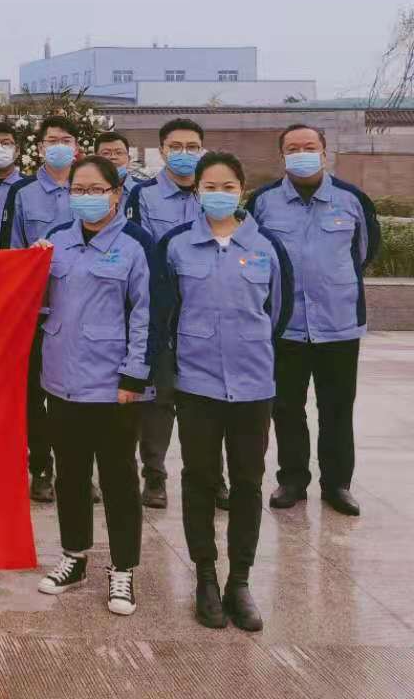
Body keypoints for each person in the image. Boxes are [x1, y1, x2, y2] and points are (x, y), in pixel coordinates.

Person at [154, 152, 292, 631]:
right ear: (197, 191)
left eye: (228, 186)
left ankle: (240, 581)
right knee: (199, 478)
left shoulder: (267, 246)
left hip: (253, 385)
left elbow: (279, 313)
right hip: (197, 385)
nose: (218, 194)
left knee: (248, 483)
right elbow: (164, 314)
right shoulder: (176, 246)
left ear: (242, 190)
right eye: (209, 186)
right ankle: (206, 577)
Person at [33, 155, 154, 617]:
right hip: (61, 380)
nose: (85, 198)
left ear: (116, 194)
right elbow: (32, 295)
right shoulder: (56, 242)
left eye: (95, 189)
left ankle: (122, 568)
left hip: (113, 385)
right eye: (77, 190)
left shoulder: (137, 244)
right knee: (70, 475)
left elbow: (146, 313)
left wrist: (134, 375)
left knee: (119, 477)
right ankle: (74, 556)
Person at [249, 124, 380, 517]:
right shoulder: (263, 202)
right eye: (293, 148)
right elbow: (254, 255)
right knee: (287, 407)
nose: (301, 153)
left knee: (337, 408)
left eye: (309, 146)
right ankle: (292, 480)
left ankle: (338, 484)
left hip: (338, 323)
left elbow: (365, 252)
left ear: (324, 151)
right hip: (284, 325)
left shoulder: (352, 199)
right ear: (282, 155)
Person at [125, 118, 208, 510]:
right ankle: (154, 475)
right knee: (157, 396)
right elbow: (137, 250)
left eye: (192, 146)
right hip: (159, 309)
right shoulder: (142, 195)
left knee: (205, 399)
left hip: (206, 308)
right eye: (176, 146)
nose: (184, 154)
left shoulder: (214, 192)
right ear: (162, 150)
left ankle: (211, 476)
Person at [1, 115, 82, 503]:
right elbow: (12, 252)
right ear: (40, 147)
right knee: (35, 395)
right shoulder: (23, 192)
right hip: (37, 311)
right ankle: (41, 468)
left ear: (77, 147)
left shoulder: (90, 187)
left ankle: (78, 469)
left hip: (83, 309)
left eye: (66, 139)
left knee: (79, 395)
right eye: (52, 140)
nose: (59, 146)